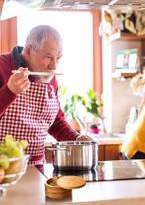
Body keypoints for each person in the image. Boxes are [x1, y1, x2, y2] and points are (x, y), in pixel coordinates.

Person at [0, 25, 92, 164]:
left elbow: (56, 122)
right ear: (29, 51)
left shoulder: (49, 77)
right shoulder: (2, 66)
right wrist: (9, 91)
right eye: (48, 57)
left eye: (58, 58)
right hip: (3, 169)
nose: (54, 66)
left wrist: (75, 139)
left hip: (36, 167)